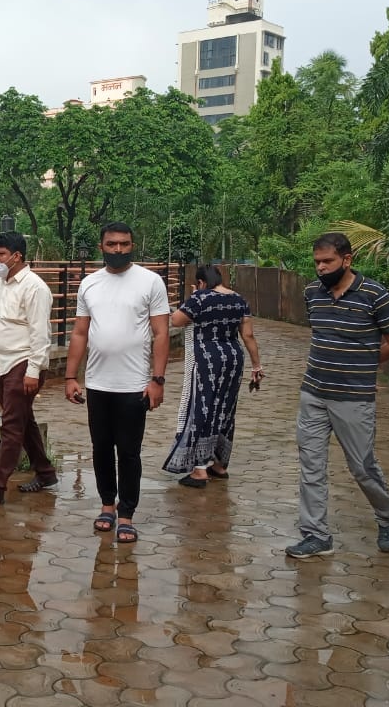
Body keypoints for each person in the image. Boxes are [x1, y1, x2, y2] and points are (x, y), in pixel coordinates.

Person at [288, 232, 389, 559]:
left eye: (327, 261)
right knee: (311, 466)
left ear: (347, 259)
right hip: (313, 394)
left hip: (354, 398)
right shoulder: (312, 292)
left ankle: (387, 518)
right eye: (317, 263)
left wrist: (363, 361)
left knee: (362, 467)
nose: (321, 268)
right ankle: (315, 535)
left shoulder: (375, 295)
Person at [64, 222, 171, 543]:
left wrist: (158, 380)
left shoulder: (150, 282)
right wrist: (71, 376)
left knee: (129, 452)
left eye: (124, 244)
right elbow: (80, 332)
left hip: (135, 385)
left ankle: (127, 514)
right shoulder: (89, 284)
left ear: (133, 245)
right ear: (102, 247)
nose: (119, 249)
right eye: (112, 244)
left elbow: (161, 332)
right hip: (97, 384)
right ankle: (106, 505)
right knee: (100, 449)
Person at [0, 231, 57, 510]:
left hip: (22, 363)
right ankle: (45, 473)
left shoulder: (35, 288)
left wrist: (33, 371)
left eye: (0, 254)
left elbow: (40, 335)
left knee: (11, 425)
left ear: (16, 256)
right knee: (23, 420)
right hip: (1, 362)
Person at [163, 265, 263, 487]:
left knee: (203, 408)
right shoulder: (239, 299)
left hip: (207, 359)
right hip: (234, 359)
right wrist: (257, 366)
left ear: (200, 282)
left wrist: (192, 297)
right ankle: (220, 465)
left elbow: (177, 320)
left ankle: (199, 470)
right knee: (225, 410)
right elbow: (248, 335)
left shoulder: (199, 297)